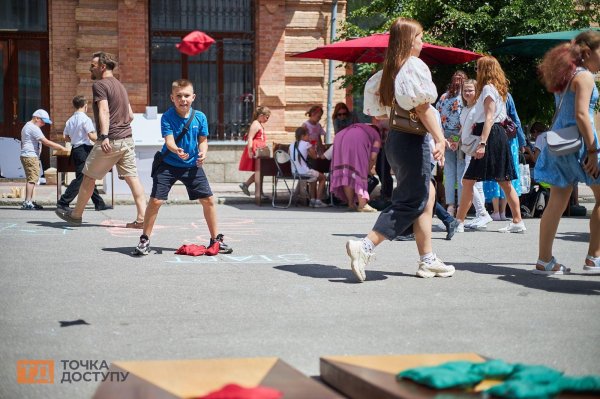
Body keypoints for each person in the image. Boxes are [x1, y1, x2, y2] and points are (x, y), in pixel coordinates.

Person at [347, 17, 454, 281]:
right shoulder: (413, 65)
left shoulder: (392, 69)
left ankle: (427, 258)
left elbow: (382, 113)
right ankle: (365, 245)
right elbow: (423, 107)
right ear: (409, 40)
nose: (422, 41)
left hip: (398, 139)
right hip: (411, 141)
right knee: (412, 200)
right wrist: (440, 138)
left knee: (427, 196)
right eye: (419, 36)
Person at [134, 79, 232, 255]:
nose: (183, 99)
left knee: (208, 200)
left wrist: (203, 153)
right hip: (168, 164)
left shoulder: (200, 117)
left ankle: (215, 239)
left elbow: (203, 141)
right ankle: (144, 240)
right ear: (172, 98)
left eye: (186, 95)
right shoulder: (167, 117)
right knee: (156, 201)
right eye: (178, 96)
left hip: (192, 165)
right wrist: (176, 150)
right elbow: (169, 141)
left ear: (193, 97)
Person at [533, 30, 600, 274]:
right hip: (582, 146)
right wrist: (593, 150)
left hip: (561, 145)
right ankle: (594, 257)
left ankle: (544, 259)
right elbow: (582, 115)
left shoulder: (567, 76)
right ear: (589, 52)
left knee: (556, 203)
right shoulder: (584, 78)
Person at [55, 51, 146, 227]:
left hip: (109, 141)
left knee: (88, 177)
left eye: (93, 65)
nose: (90, 68)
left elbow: (104, 110)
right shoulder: (120, 86)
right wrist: (120, 125)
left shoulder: (100, 85)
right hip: (127, 139)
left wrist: (104, 136)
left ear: (102, 67)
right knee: (133, 179)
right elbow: (131, 115)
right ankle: (142, 219)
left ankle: (75, 216)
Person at [454, 56, 525, 234]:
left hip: (490, 136)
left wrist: (483, 143)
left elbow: (489, 117)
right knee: (503, 181)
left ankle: (459, 222)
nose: (476, 71)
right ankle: (517, 221)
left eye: (478, 68)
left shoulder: (487, 88)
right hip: (496, 135)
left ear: (485, 70)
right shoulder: (497, 88)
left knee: (469, 180)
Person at [57, 95, 110, 212]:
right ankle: (63, 202)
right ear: (85, 106)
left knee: (88, 177)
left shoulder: (69, 120)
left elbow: (65, 137)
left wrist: (75, 139)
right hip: (84, 150)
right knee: (82, 179)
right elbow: (91, 136)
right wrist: (102, 140)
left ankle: (99, 203)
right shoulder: (86, 119)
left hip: (75, 150)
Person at [482, 92, 524, 221]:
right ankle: (504, 212)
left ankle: (496, 211)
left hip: (492, 135)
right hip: (509, 138)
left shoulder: (487, 92)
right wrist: (522, 141)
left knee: (497, 172)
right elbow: (515, 119)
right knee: (507, 174)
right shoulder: (506, 95)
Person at [458, 79, 493, 231]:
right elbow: (462, 129)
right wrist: (454, 141)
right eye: (465, 90)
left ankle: (483, 213)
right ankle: (481, 214)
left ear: (477, 91)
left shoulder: (477, 108)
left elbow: (482, 126)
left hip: (475, 148)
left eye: (470, 90)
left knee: (466, 182)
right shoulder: (465, 108)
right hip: (467, 148)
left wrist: (482, 145)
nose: (467, 93)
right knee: (476, 186)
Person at [20, 109, 67, 210]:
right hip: (30, 155)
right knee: (32, 179)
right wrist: (60, 147)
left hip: (28, 155)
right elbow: (46, 142)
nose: (43, 124)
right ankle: (27, 202)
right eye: (43, 121)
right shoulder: (33, 128)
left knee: (32, 178)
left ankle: (29, 201)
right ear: (36, 118)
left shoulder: (27, 126)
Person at [329, 123, 381, 212]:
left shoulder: (357, 128)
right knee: (360, 172)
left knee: (346, 172)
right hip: (356, 139)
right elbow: (373, 157)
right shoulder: (376, 135)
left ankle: (351, 204)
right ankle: (362, 205)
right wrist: (367, 171)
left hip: (339, 137)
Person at [436, 71, 467, 216]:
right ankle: (454, 205)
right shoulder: (461, 97)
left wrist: (445, 139)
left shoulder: (445, 96)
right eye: (457, 79)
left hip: (453, 135)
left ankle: (454, 205)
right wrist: (447, 139)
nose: (458, 81)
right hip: (453, 135)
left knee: (454, 172)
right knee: (454, 172)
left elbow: (437, 117)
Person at [289, 126, 328, 208]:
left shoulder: (291, 145)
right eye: (308, 135)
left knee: (313, 177)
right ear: (303, 136)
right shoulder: (307, 144)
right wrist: (313, 147)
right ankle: (318, 201)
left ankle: (312, 200)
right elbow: (314, 156)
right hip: (304, 172)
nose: (309, 137)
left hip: (294, 172)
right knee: (323, 177)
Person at [238, 106, 271, 197]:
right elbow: (250, 137)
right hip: (256, 149)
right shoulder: (256, 124)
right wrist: (250, 150)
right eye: (267, 117)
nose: (267, 119)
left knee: (260, 171)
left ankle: (256, 190)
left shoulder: (259, 124)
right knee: (259, 171)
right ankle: (248, 185)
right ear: (261, 115)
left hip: (260, 150)